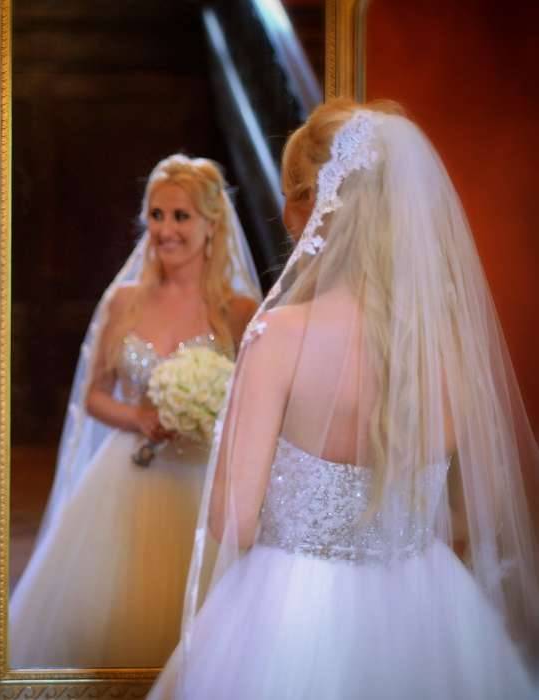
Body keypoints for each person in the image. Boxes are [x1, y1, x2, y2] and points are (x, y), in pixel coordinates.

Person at [148, 100, 539, 698]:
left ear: (313, 206)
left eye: (290, 195)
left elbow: (234, 520)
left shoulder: (278, 337)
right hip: (428, 606)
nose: (285, 213)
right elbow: (468, 511)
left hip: (291, 609)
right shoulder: (447, 344)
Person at [9, 155, 259, 668]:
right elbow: (94, 396)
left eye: (181, 216)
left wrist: (205, 418)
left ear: (212, 224)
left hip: (201, 482)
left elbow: (255, 408)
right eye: (156, 215)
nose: (165, 230)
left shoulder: (239, 312)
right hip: (126, 473)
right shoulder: (124, 301)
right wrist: (139, 418)